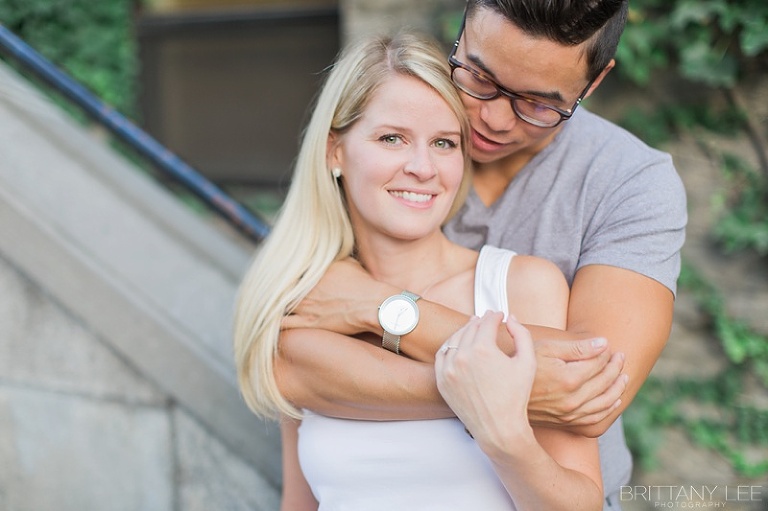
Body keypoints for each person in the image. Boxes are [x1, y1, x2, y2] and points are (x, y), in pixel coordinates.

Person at [277, 1, 688, 510]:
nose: (489, 119)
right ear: (462, 31)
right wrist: (496, 384)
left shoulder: (630, 183)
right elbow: (288, 370)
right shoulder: (399, 153)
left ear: (593, 83)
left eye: (538, 104)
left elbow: (584, 390)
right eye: (479, 77)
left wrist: (384, 309)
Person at [234, 32, 603, 510]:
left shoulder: (517, 286)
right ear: (335, 152)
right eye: (392, 138)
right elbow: (299, 503)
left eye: (444, 143)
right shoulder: (310, 303)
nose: (423, 168)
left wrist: (503, 435)